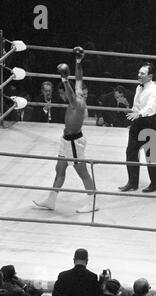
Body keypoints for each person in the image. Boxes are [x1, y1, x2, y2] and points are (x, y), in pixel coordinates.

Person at [33, 47, 98, 213]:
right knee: (60, 169)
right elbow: (79, 78)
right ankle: (51, 200)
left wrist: (63, 80)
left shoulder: (79, 103)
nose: (63, 96)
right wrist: (78, 61)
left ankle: (92, 202)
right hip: (66, 140)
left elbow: (70, 93)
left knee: (81, 171)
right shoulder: (77, 94)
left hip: (74, 142)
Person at [119, 62, 156, 193]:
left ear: (150, 76)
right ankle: (132, 183)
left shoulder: (154, 92)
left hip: (150, 121)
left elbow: (150, 107)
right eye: (139, 72)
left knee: (152, 155)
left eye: (142, 73)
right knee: (131, 151)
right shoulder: (139, 87)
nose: (139, 75)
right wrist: (133, 113)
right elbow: (137, 104)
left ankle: (155, 184)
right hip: (137, 121)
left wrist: (139, 113)